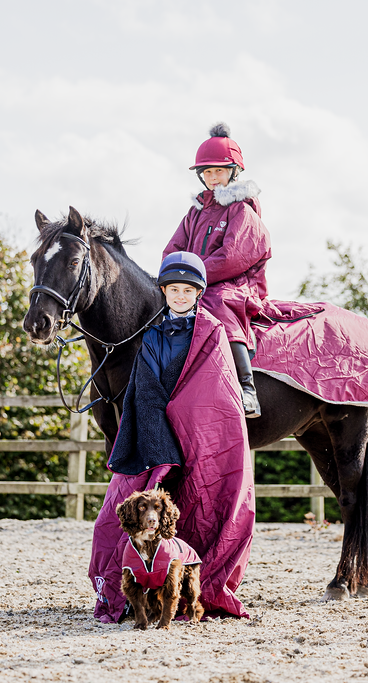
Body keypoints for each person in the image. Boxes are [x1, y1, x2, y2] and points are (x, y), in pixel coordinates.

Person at [88, 251, 255, 623]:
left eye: (188, 290)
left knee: (205, 510)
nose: (180, 296)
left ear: (198, 292)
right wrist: (158, 436)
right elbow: (144, 389)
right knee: (109, 519)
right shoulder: (152, 334)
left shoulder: (212, 331)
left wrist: (183, 419)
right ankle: (128, 594)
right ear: (163, 291)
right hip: (157, 434)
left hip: (199, 438)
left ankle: (189, 593)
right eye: (173, 289)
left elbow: (212, 394)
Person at [163, 123, 270, 418]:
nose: (213, 177)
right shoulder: (195, 212)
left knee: (217, 304)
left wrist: (192, 278)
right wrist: (170, 277)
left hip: (234, 284)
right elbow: (173, 249)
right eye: (207, 172)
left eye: (219, 171)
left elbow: (231, 256)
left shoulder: (242, 211)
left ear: (234, 172)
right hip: (197, 282)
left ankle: (247, 390)